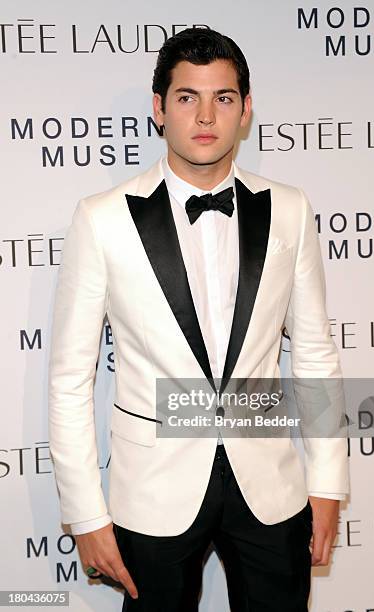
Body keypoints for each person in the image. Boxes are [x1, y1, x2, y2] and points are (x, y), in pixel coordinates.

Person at [48, 27, 349, 612]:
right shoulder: (101, 219)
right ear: (159, 108)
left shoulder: (290, 209)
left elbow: (314, 352)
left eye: (224, 98)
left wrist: (328, 483)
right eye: (187, 97)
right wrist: (85, 513)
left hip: (270, 487)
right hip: (152, 490)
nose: (206, 115)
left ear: (246, 109)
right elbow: (69, 379)